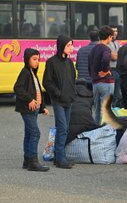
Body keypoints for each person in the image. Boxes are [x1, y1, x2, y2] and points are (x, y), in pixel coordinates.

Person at [43, 35, 77, 169]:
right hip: (58, 100)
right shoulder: (51, 62)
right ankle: (60, 158)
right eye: (68, 45)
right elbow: (46, 81)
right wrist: (58, 93)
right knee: (62, 127)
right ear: (61, 46)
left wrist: (72, 93)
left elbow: (73, 79)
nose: (71, 48)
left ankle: (59, 156)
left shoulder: (69, 63)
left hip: (69, 100)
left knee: (65, 128)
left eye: (71, 45)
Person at [14, 48, 50, 172]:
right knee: (35, 133)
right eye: (34, 59)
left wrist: (43, 107)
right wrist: (29, 99)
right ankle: (33, 162)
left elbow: (38, 91)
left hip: (34, 109)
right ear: (27, 59)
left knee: (29, 133)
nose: (37, 62)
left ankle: (27, 160)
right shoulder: (25, 72)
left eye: (38, 60)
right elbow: (17, 88)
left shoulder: (32, 73)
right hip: (27, 109)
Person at [88, 26, 115, 124]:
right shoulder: (106, 49)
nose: (111, 39)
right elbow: (106, 58)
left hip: (95, 83)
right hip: (106, 83)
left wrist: (94, 76)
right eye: (111, 37)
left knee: (97, 112)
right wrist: (105, 70)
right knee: (106, 111)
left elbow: (89, 66)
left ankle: (97, 132)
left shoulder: (93, 49)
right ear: (108, 37)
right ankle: (105, 135)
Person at [109, 25, 122, 107]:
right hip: (111, 70)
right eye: (113, 31)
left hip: (117, 70)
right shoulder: (107, 43)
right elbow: (113, 57)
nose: (115, 33)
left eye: (116, 31)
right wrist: (118, 55)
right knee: (112, 95)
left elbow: (117, 56)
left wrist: (117, 56)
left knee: (117, 95)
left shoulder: (117, 43)